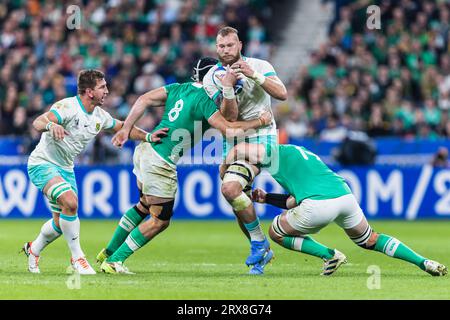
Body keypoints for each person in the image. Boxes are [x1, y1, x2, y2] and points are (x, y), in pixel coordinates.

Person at [97, 57, 273, 274]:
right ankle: (115, 260)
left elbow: (143, 99)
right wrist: (260, 121)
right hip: (160, 161)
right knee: (159, 220)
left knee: (143, 205)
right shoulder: (205, 101)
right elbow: (229, 130)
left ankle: (108, 251)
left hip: (145, 150)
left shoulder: (178, 88)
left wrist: (126, 128)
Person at [22, 69, 159, 275]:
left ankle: (34, 249)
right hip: (42, 163)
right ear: (89, 92)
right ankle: (78, 258)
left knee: (61, 223)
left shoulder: (99, 116)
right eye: (102, 87)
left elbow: (123, 127)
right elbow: (38, 121)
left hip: (66, 168)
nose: (107, 90)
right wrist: (51, 126)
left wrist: (148, 137)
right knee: (71, 203)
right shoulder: (68, 107)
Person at [244, 143, 447, 276]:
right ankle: (423, 262)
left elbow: (246, 150)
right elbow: (294, 200)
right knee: (370, 239)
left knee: (276, 232)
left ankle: (329, 255)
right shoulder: (303, 154)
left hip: (318, 205)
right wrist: (267, 198)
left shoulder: (275, 158)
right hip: (345, 198)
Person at [202, 26, 287, 273]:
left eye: (229, 45)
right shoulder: (212, 78)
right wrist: (228, 87)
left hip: (263, 137)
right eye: (220, 46)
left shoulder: (260, 65)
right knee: (240, 199)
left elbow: (282, 93)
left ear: (240, 45)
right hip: (234, 140)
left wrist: (253, 75)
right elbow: (228, 118)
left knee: (230, 187)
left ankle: (259, 243)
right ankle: (262, 250)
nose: (225, 50)